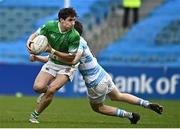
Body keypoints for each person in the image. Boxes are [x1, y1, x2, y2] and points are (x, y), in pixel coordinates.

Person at [30, 21, 163, 124]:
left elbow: (72, 59)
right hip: (102, 74)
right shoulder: (80, 42)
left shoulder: (77, 45)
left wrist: (51, 50)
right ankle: (146, 104)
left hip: (95, 83)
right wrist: (38, 58)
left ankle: (130, 115)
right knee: (118, 95)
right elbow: (56, 59)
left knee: (98, 108)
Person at [26, 7, 80, 124]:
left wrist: (52, 51)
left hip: (67, 66)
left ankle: (34, 116)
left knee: (52, 89)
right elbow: (35, 34)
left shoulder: (74, 35)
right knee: (38, 88)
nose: (73, 23)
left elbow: (71, 57)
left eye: (74, 20)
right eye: (70, 20)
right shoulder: (50, 26)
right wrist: (29, 42)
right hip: (53, 62)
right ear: (61, 20)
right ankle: (46, 93)